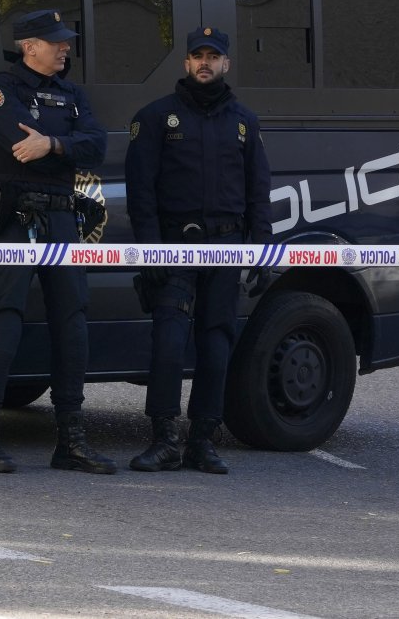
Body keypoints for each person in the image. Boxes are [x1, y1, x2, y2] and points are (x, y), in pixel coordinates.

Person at [0, 8, 115, 475]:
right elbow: (16, 148)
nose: (65, 48)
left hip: (61, 218)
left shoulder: (73, 94)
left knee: (72, 321)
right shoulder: (2, 90)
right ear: (30, 46)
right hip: (13, 217)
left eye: (65, 41)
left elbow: (97, 147)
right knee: (4, 319)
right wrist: (62, 146)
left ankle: (71, 441)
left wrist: (52, 146)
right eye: (57, 42)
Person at [124, 26, 271, 474]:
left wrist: (260, 249)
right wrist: (150, 250)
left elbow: (258, 190)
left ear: (226, 63)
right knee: (168, 341)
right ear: (186, 63)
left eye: (213, 56)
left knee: (216, 343)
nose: (205, 62)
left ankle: (203, 440)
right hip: (174, 247)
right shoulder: (154, 118)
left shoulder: (244, 122)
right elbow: (140, 192)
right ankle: (165, 438)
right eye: (197, 56)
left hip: (227, 247)